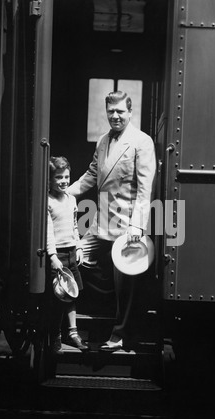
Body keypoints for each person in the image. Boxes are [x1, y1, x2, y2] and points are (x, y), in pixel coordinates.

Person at [68, 90, 156, 351]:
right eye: (111, 112)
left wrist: (137, 226)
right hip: (100, 225)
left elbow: (144, 189)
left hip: (128, 228)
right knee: (72, 257)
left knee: (125, 285)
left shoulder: (142, 142)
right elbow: (91, 175)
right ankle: (73, 325)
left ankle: (119, 335)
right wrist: (63, 192)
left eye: (120, 111)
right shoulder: (103, 141)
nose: (115, 116)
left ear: (130, 112)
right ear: (106, 113)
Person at [47, 156, 89, 354]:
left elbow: (74, 226)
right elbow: (47, 232)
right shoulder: (48, 201)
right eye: (58, 177)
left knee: (72, 295)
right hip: (59, 255)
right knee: (58, 299)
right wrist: (52, 256)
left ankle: (73, 333)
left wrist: (79, 246)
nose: (63, 181)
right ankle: (55, 336)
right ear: (50, 180)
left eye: (66, 177)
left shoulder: (71, 199)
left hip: (72, 251)